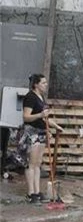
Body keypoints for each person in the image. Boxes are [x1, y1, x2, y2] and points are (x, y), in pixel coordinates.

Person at [20, 74, 64, 203]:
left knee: (38, 163)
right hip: (32, 132)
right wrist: (39, 114)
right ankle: (30, 193)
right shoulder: (30, 97)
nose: (46, 85)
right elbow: (26, 117)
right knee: (31, 163)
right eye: (43, 83)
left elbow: (45, 118)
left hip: (41, 132)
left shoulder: (41, 97)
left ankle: (37, 191)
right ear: (36, 84)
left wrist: (56, 126)